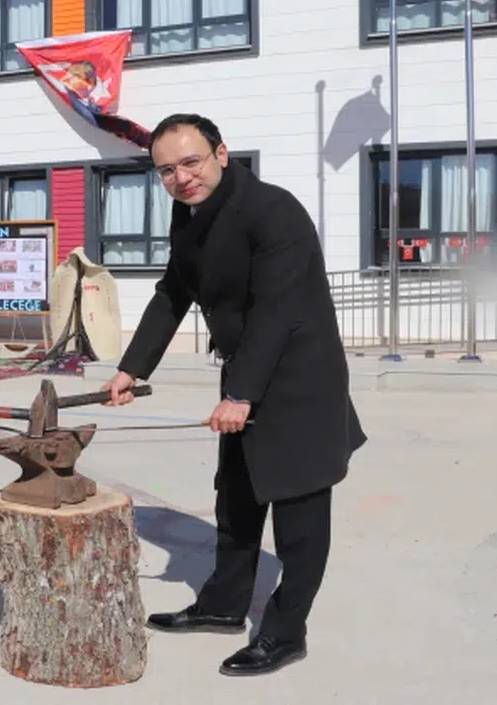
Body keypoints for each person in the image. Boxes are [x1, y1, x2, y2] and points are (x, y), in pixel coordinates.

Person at [102, 114, 366, 678]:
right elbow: (174, 291)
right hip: (245, 376)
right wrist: (132, 366)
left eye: (190, 162)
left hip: (300, 382)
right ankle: (223, 605)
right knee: (237, 500)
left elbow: (277, 312)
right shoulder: (191, 215)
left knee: (298, 518)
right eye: (166, 170)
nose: (180, 178)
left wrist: (241, 393)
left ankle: (285, 632)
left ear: (221, 154)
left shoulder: (273, 211)